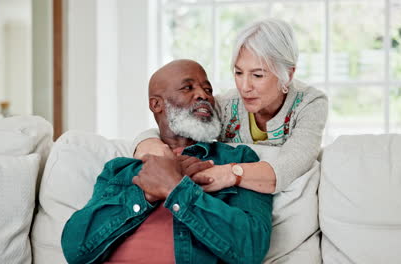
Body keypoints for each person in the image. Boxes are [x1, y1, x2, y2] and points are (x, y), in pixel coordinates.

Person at [61, 59, 273, 264]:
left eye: (207, 90)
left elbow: (251, 249)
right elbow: (75, 249)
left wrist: (175, 188)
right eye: (187, 88)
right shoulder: (119, 170)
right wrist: (146, 193)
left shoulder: (235, 159)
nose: (203, 96)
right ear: (156, 104)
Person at [134, 18, 328, 195]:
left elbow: (290, 165)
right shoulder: (227, 105)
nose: (244, 87)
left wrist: (230, 173)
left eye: (257, 75)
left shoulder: (310, 103)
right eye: (238, 72)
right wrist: (147, 143)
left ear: (288, 74)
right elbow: (176, 124)